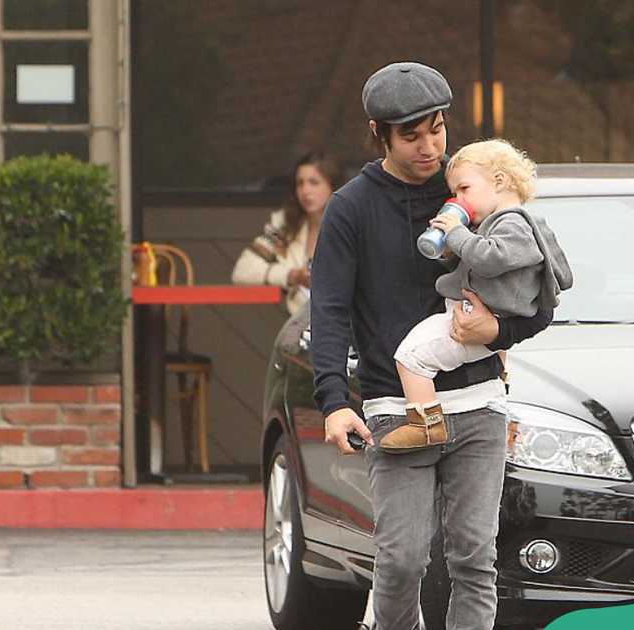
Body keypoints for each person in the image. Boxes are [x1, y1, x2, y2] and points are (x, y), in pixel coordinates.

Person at [310, 62, 552, 630]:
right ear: (379, 134)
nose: (429, 147)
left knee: (474, 559)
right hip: (396, 409)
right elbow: (329, 310)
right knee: (400, 561)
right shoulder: (351, 207)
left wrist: (498, 334)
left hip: (478, 405)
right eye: (411, 136)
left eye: (437, 130)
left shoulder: (472, 189)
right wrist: (333, 400)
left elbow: (537, 298)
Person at [389, 139, 572, 449]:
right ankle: (498, 393)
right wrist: (449, 249)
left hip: (475, 320)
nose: (457, 199)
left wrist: (456, 233)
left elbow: (490, 259)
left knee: (410, 356)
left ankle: (425, 424)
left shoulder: (514, 224)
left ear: (498, 181)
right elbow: (476, 262)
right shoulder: (497, 224)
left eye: (464, 189)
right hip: (480, 319)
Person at [232, 151, 341, 313]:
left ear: (333, 186)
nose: (305, 190)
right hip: (299, 321)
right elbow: (243, 271)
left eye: (314, 182)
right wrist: (291, 276)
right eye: (300, 183)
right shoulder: (285, 227)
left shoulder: (352, 225)